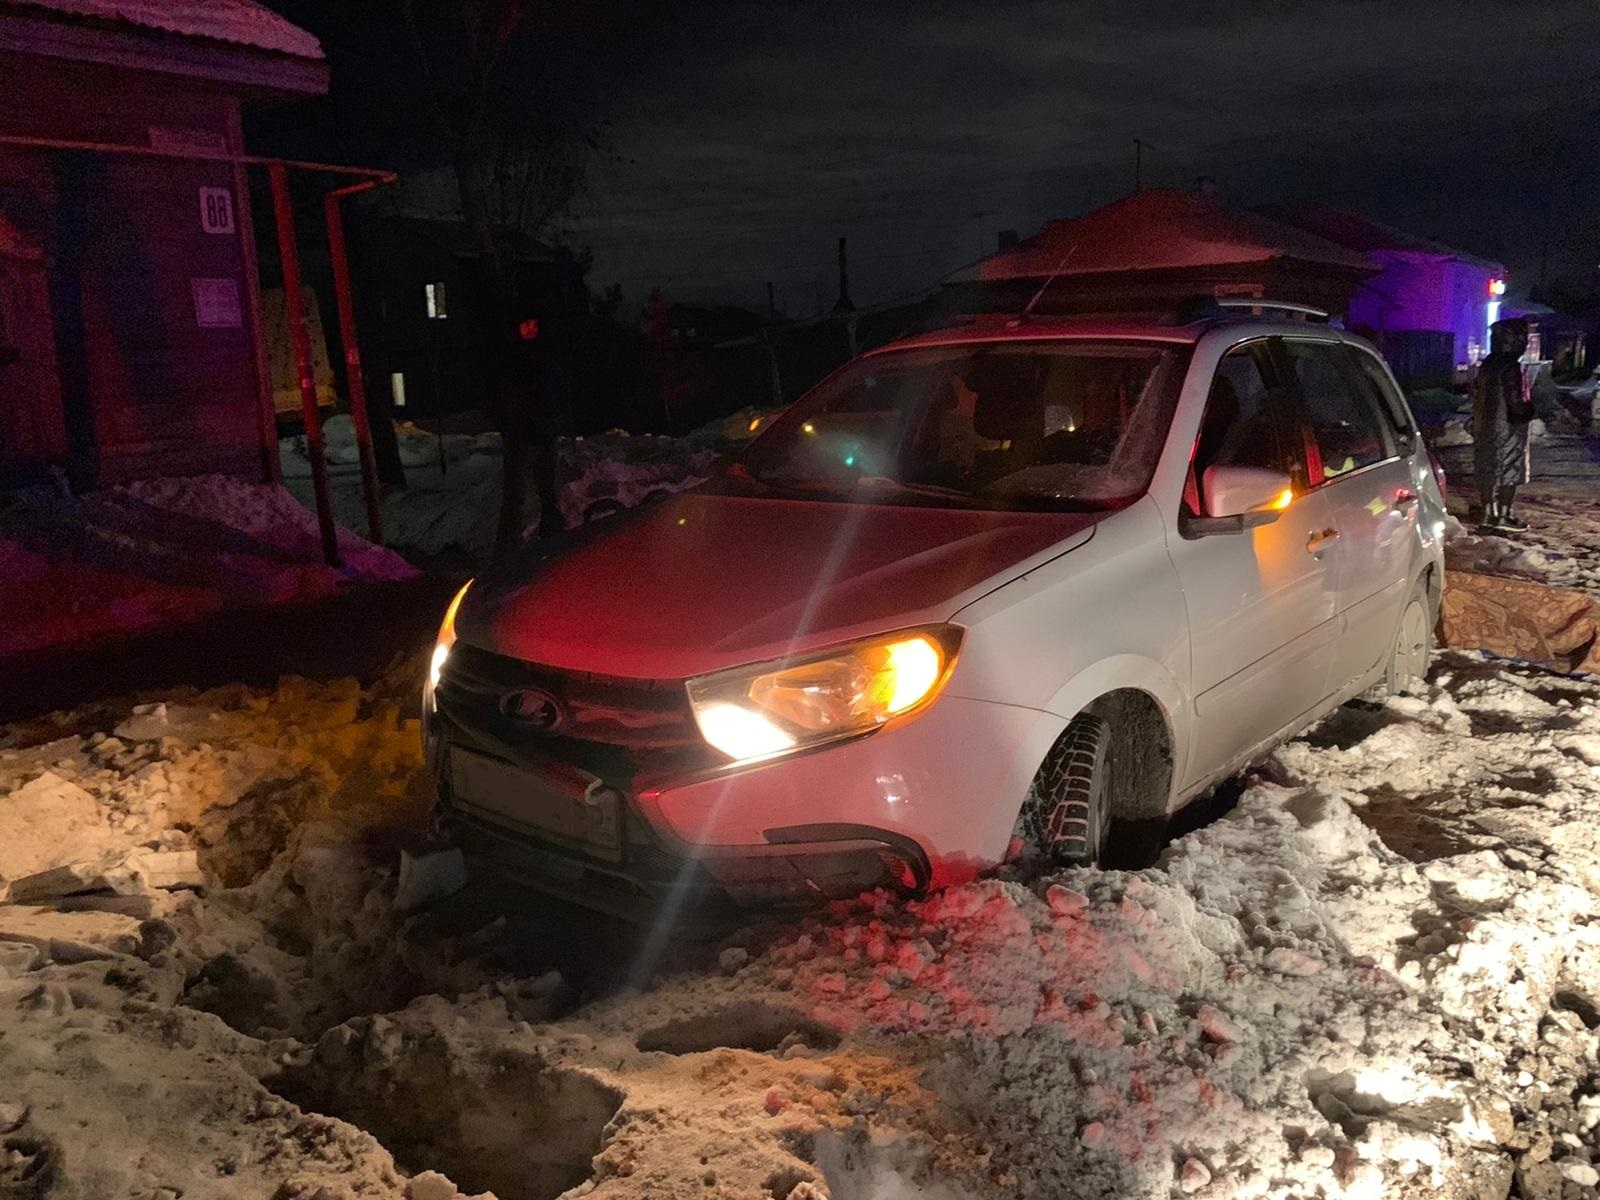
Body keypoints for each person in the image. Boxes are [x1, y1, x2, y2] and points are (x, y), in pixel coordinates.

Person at [1472, 318, 1533, 531]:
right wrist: (1529, 411)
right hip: (1508, 429)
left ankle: (1489, 512)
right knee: (1510, 470)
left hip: (1484, 426)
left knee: (1487, 468)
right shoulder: (1512, 367)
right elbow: (1517, 404)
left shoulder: (1488, 365)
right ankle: (1505, 514)